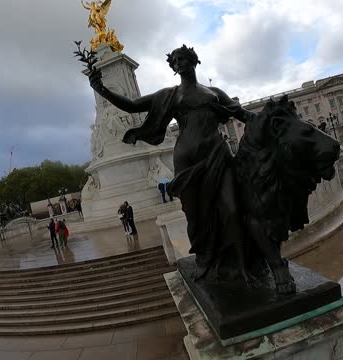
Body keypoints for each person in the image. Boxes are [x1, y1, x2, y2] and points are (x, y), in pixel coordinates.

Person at [88, 45, 255, 281]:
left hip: (218, 156)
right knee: (194, 215)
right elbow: (133, 106)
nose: (178, 64)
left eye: (182, 59)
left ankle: (241, 262)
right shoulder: (171, 95)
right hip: (187, 162)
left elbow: (243, 114)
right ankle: (204, 259)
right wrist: (102, 90)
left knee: (232, 208)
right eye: (174, 62)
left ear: (194, 61)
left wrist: (274, 116)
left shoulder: (214, 93)